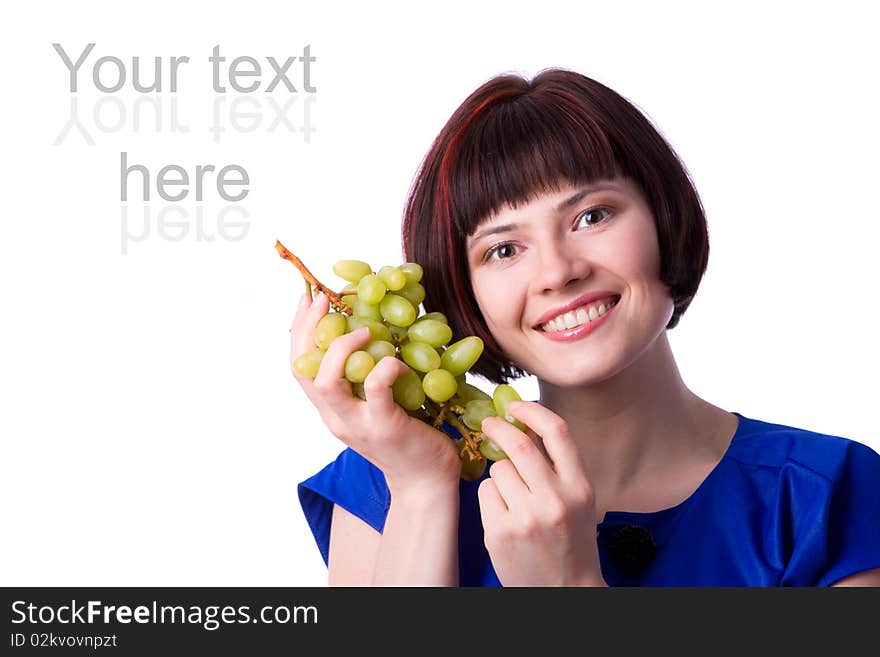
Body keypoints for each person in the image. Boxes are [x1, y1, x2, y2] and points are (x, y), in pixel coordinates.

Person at [291, 68, 880, 586]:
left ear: (662, 216)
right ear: (463, 292)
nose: (556, 272)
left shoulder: (824, 495)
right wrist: (421, 491)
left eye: (591, 216)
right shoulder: (394, 478)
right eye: (503, 250)